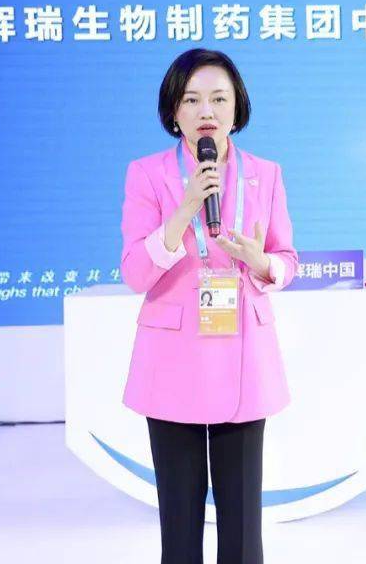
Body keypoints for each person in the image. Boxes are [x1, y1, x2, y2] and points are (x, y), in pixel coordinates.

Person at [119, 48, 297, 564]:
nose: (206, 111)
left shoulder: (265, 173)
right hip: (173, 361)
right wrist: (186, 207)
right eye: (192, 99)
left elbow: (286, 260)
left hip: (243, 359)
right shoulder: (147, 174)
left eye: (219, 99)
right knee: (179, 523)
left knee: (242, 528)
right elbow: (135, 272)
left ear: (237, 109)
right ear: (173, 111)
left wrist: (261, 262)